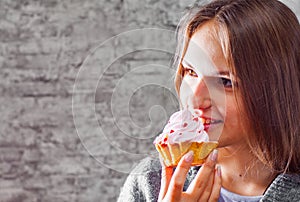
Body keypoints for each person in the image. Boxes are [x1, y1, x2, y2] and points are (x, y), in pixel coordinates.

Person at [117, 0, 300, 201]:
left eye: (224, 82)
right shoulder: (149, 183)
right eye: (191, 72)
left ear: (277, 90)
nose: (195, 99)